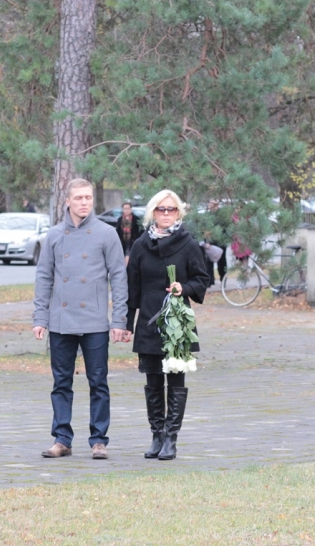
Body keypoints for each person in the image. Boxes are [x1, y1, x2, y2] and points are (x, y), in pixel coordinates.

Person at [32, 178, 129, 460]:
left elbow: (119, 278)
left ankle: (99, 440)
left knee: (98, 381)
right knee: (61, 382)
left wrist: (119, 320)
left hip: (95, 320)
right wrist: (40, 317)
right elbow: (43, 277)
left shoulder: (106, 234)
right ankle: (62, 438)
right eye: (78, 198)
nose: (84, 202)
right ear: (68, 201)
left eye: (88, 197)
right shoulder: (54, 235)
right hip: (61, 319)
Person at [126, 189, 210, 460]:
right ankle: (157, 435)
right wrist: (128, 323)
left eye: (170, 209)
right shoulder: (140, 245)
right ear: (152, 212)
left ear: (179, 213)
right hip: (149, 321)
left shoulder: (188, 244)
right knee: (152, 380)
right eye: (160, 209)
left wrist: (182, 287)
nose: (165, 214)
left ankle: (171, 438)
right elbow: (132, 288)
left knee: (175, 378)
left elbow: (202, 279)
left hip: (176, 322)